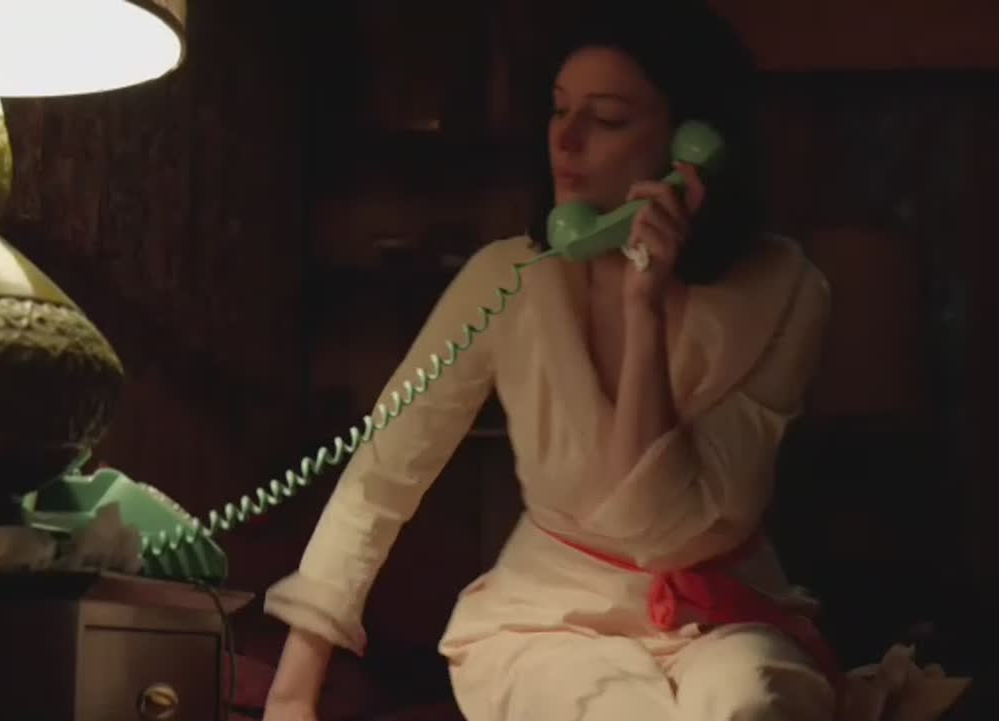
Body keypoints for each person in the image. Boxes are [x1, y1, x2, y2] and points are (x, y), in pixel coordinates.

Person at [262, 2, 842, 719]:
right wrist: (292, 691)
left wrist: (644, 306)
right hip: (551, 617)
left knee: (745, 703)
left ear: (692, 146)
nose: (565, 140)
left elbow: (662, 520)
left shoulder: (785, 290)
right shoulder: (508, 279)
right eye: (559, 110)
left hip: (725, 612)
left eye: (607, 119)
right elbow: (381, 477)